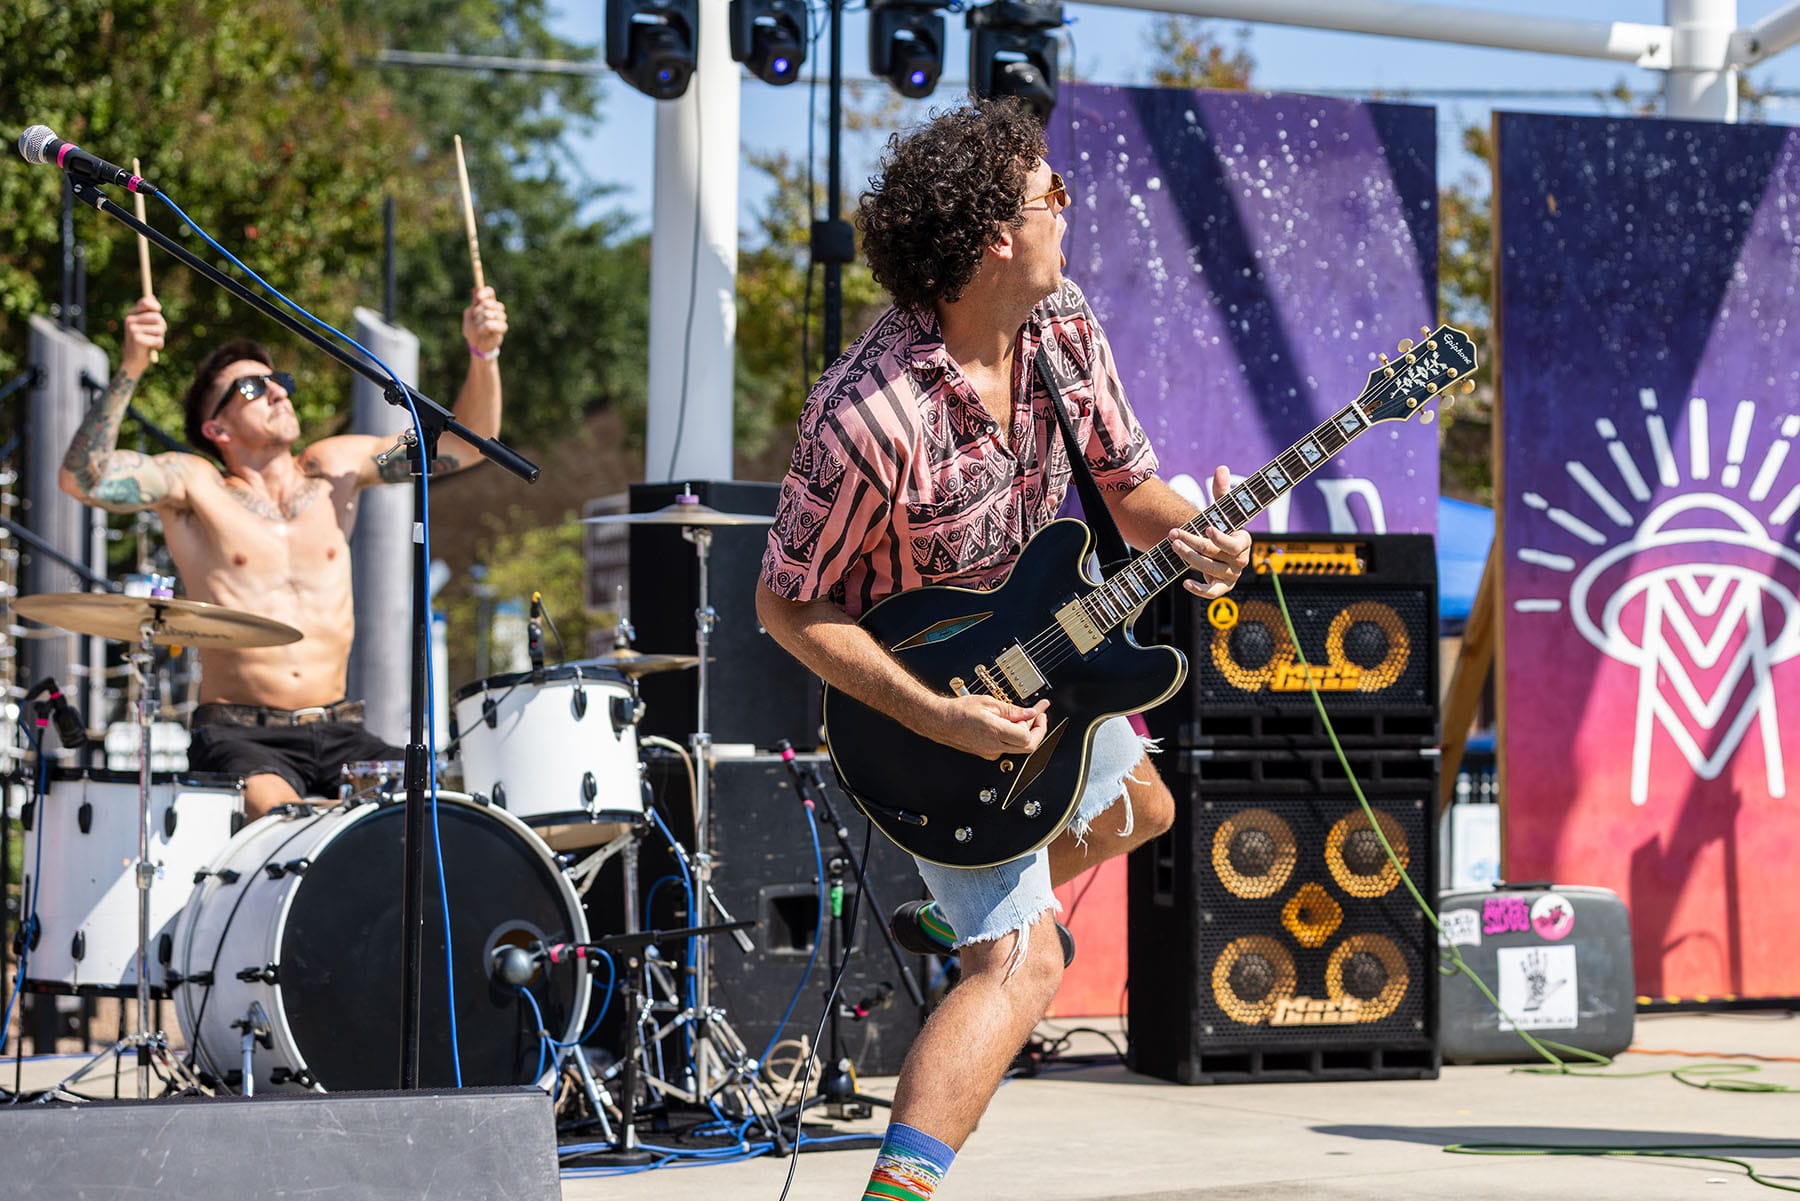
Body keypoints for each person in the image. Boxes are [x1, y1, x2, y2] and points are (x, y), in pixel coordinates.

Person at [755, 100, 1253, 1200]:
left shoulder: (1061, 323)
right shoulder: (868, 414)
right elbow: (786, 605)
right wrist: (941, 717)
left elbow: (1128, 491)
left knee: (1145, 809)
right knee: (1025, 960)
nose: (1068, 213)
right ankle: (897, 1192)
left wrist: (1206, 540)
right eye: (1051, 197)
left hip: (1045, 658)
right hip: (919, 720)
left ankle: (949, 912)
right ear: (994, 236)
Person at [60, 287, 508, 819]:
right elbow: (83, 478)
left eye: (280, 382)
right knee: (288, 825)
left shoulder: (334, 469)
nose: (277, 393)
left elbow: (467, 445)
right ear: (216, 428)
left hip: (340, 730)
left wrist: (483, 353)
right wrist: (132, 365)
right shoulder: (196, 486)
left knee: (445, 812)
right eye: (252, 388)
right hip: (241, 737)